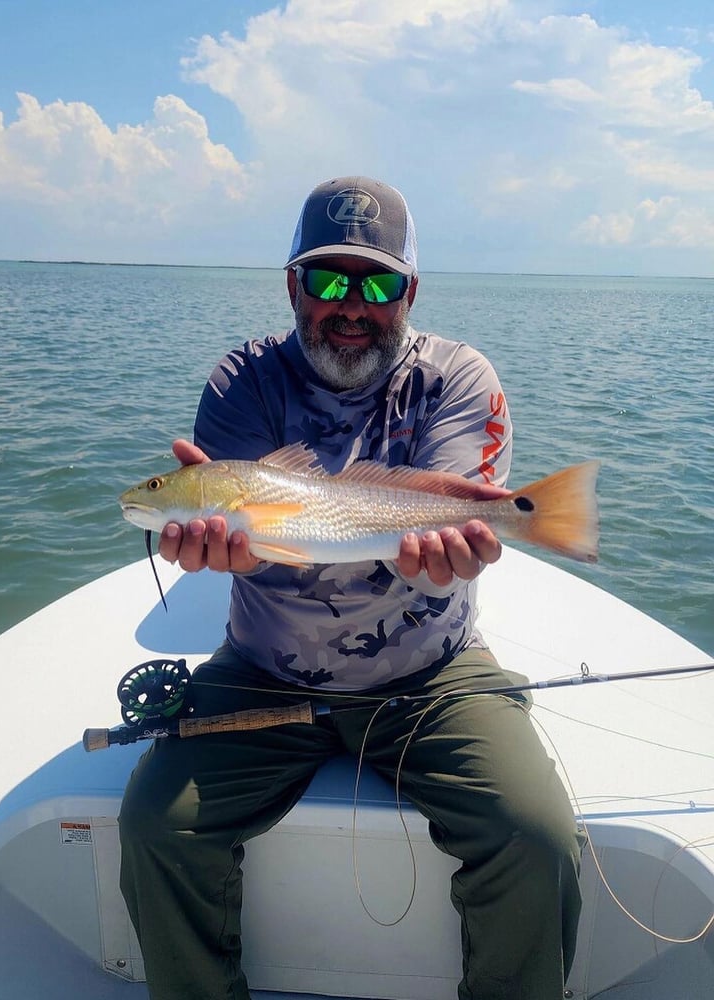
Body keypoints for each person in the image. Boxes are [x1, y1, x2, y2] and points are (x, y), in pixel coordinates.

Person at [118, 176, 583, 1000]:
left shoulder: (457, 376)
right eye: (329, 279)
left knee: (536, 834)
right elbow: (262, 543)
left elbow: (440, 499)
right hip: (264, 669)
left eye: (377, 282)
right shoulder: (243, 380)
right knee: (158, 825)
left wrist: (466, 544)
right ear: (294, 284)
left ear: (411, 289)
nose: (351, 304)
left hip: (431, 673)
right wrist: (239, 554)